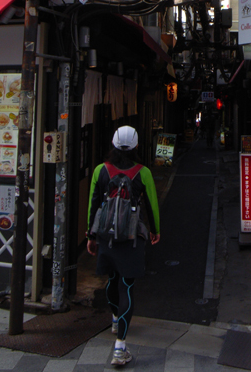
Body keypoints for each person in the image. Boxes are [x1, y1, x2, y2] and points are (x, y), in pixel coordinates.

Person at [87, 126, 160, 367]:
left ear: (113, 144)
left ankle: (115, 318)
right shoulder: (144, 172)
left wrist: (90, 234)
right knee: (127, 287)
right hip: (130, 238)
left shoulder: (101, 170)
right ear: (137, 146)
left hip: (106, 237)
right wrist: (155, 230)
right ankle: (120, 348)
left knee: (111, 280)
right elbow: (152, 206)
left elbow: (94, 203)